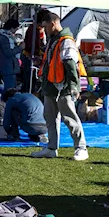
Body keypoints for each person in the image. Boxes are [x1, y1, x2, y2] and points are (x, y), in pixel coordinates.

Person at [32, 9, 88, 162]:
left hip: (63, 87)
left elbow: (70, 64)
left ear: (54, 23)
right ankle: (51, 147)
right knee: (50, 118)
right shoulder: (54, 40)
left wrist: (73, 86)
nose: (45, 30)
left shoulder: (66, 40)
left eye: (46, 27)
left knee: (70, 118)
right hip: (51, 85)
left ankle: (81, 147)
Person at [0, 22, 21, 92]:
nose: (16, 31)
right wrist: (20, 48)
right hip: (8, 68)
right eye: (16, 29)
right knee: (10, 90)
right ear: (11, 28)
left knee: (11, 88)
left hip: (10, 67)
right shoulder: (5, 38)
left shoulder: (7, 37)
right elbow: (8, 53)